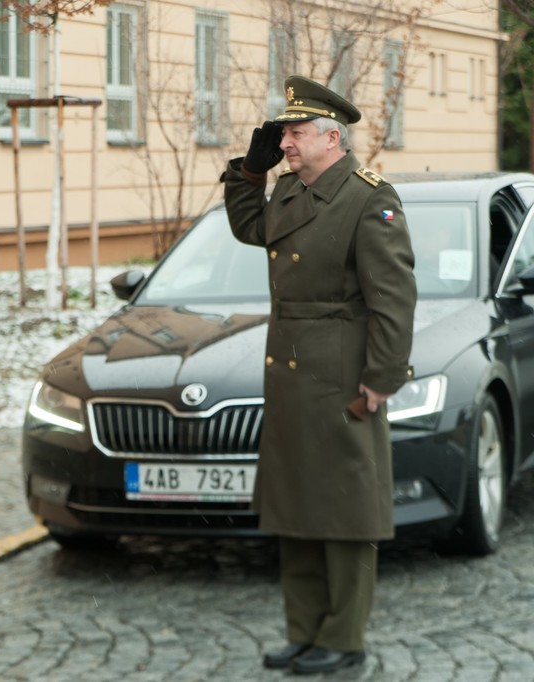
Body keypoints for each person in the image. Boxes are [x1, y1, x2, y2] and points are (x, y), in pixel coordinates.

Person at [222, 75, 417, 675]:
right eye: (284, 133)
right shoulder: (288, 193)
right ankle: (304, 631)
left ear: (332, 138)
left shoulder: (369, 198)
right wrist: (246, 176)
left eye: (296, 133)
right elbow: (248, 228)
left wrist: (382, 379)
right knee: (297, 505)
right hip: (290, 372)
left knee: (345, 509)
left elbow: (394, 298)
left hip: (342, 373)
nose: (285, 143)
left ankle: (345, 636)